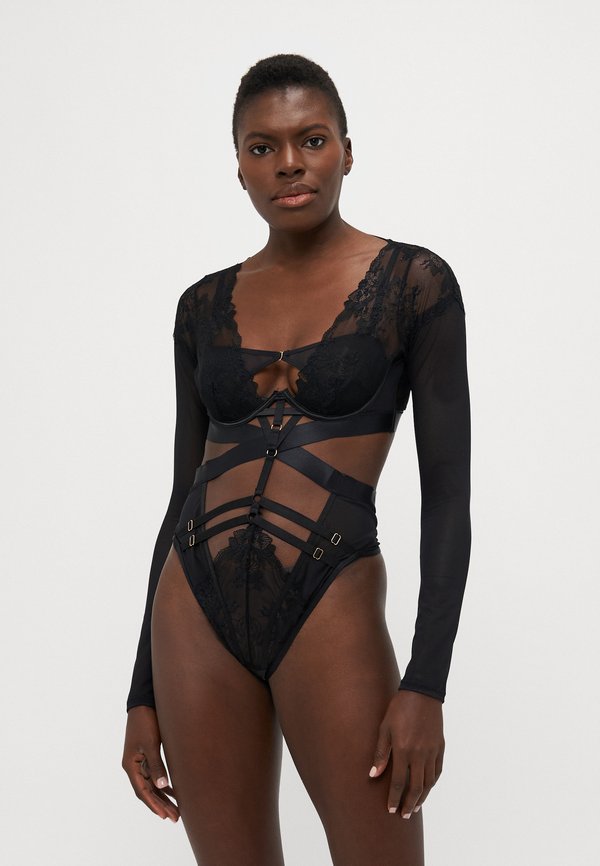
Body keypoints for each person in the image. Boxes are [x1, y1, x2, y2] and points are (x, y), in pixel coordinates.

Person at [122, 53, 471, 866]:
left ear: (347, 150)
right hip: (193, 609)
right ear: (239, 166)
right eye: (262, 147)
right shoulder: (201, 306)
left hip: (330, 593)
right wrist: (141, 692)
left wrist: (426, 683)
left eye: (311, 140)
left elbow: (448, 498)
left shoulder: (415, 283)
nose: (288, 163)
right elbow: (181, 493)